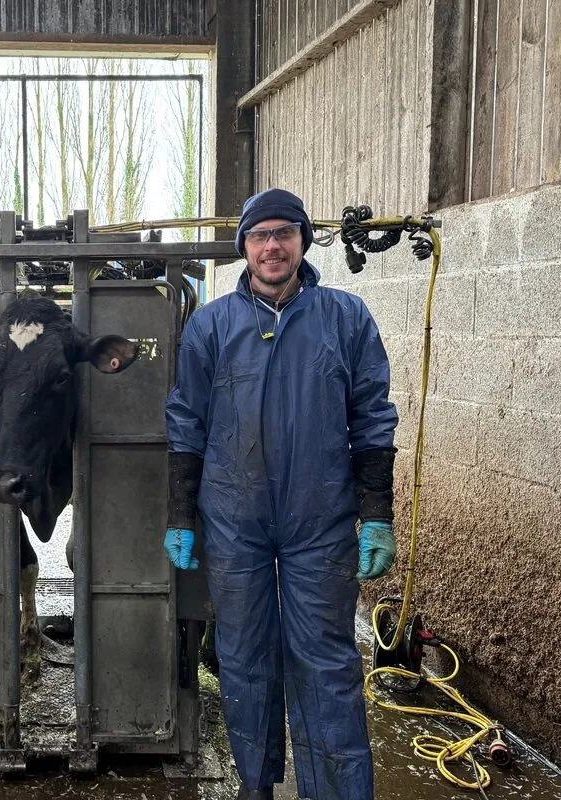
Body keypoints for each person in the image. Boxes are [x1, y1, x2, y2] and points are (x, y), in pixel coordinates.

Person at [163, 188, 398, 800]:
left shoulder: (345, 319)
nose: (272, 245)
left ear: (302, 242)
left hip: (319, 522)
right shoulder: (211, 324)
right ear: (244, 246)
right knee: (243, 658)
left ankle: (339, 791)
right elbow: (186, 420)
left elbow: (373, 418)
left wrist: (376, 512)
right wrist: (180, 513)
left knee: (325, 661)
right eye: (260, 235)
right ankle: (256, 783)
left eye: (284, 233)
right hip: (235, 520)